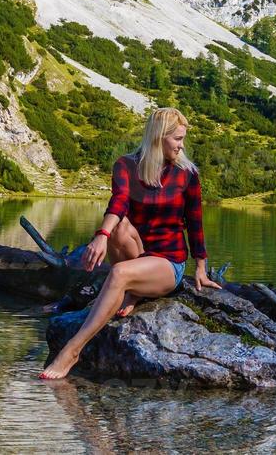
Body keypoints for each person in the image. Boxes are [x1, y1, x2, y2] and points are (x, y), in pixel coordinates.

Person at [39, 107, 219, 380]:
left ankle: (73, 350)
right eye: (177, 139)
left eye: (183, 139)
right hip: (137, 251)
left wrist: (201, 267)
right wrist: (102, 235)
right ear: (158, 137)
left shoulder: (188, 174)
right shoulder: (126, 165)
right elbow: (119, 202)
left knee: (119, 273)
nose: (182, 146)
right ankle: (133, 292)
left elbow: (195, 222)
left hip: (167, 262)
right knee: (119, 226)